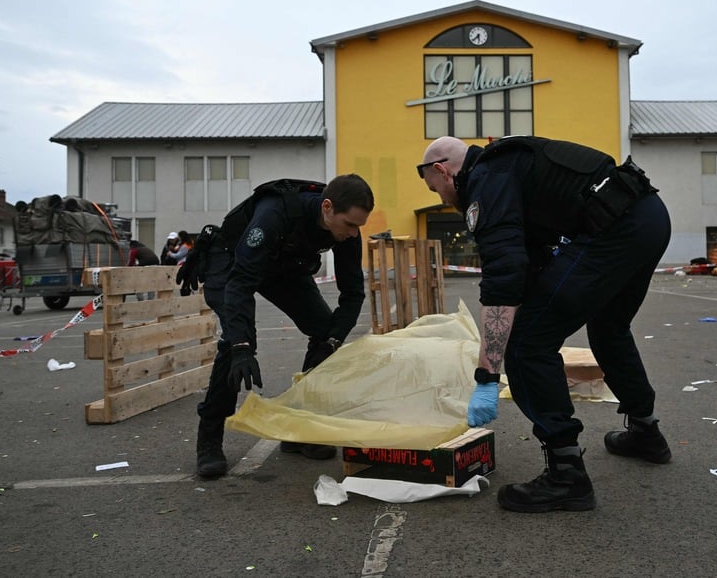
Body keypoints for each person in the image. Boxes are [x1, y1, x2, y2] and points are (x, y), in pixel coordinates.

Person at [417, 135, 672, 513]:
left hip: (615, 229)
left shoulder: (487, 179)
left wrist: (488, 376)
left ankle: (567, 474)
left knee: (526, 345)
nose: (440, 197)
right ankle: (646, 432)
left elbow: (504, 275)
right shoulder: (508, 168)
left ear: (442, 169)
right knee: (609, 327)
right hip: (648, 218)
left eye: (434, 188)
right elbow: (533, 263)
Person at [176, 174, 375, 479]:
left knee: (324, 332)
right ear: (327, 208)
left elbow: (353, 294)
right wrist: (242, 345)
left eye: (358, 227)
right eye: (349, 224)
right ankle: (210, 439)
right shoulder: (274, 214)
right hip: (232, 260)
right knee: (235, 346)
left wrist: (333, 341)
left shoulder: (348, 230)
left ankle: (299, 430)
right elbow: (241, 283)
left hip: (281, 266)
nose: (353, 233)